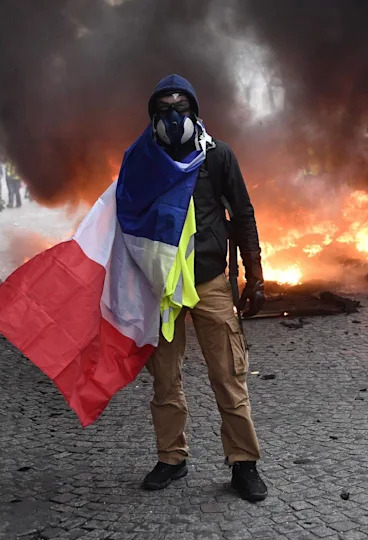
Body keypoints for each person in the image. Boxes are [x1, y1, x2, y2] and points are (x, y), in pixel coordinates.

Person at [135, 75, 267, 502]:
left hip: (209, 281)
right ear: (153, 117)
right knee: (165, 378)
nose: (174, 118)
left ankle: (244, 464)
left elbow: (243, 213)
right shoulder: (142, 160)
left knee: (229, 375)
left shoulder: (217, 157)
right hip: (163, 287)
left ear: (195, 111)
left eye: (181, 108)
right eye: (165, 110)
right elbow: (126, 223)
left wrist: (255, 274)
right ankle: (171, 458)